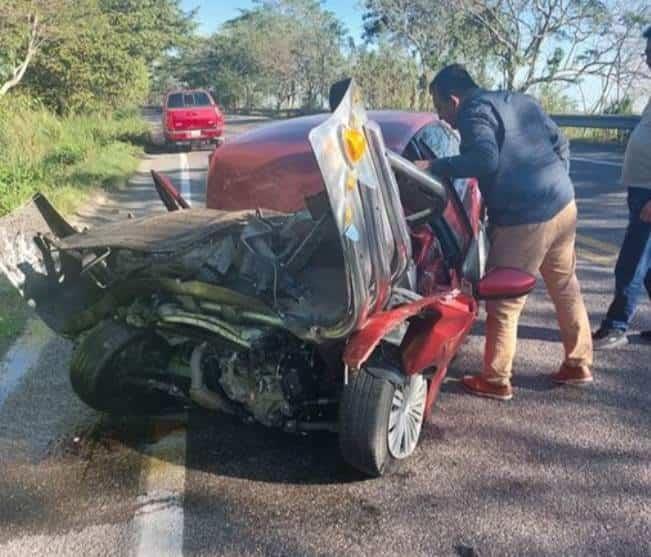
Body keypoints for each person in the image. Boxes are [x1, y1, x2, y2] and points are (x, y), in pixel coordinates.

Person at [418, 64, 593, 401]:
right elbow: (561, 143)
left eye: (441, 109)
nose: (444, 119)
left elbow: (484, 160)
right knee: (565, 287)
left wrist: (436, 166)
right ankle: (578, 363)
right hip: (563, 205)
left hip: (524, 221)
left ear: (454, 99)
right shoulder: (521, 100)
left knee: (504, 302)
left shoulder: (473, 112)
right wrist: (555, 182)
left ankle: (496, 379)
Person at [592, 26, 651, 350]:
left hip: (649, 193)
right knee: (648, 265)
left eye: (650, 51)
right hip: (641, 188)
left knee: (631, 262)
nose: (646, 57)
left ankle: (616, 326)